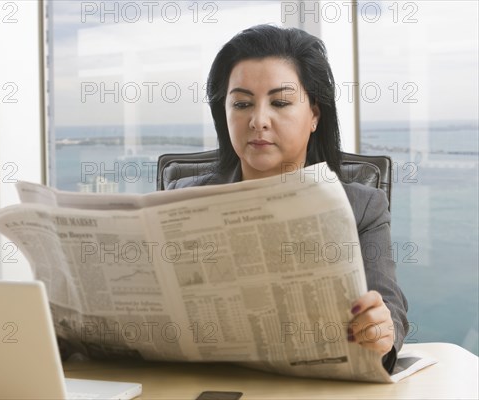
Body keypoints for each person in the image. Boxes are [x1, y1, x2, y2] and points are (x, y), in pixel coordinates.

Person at [167, 24, 409, 372]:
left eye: (280, 102)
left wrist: (382, 330)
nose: (258, 120)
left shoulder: (363, 208)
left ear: (314, 114)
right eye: (241, 103)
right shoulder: (182, 198)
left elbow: (389, 305)